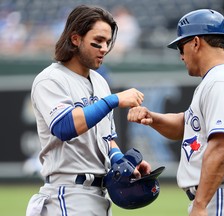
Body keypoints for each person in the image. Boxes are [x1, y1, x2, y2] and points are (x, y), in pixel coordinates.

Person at [127, 9, 224, 216]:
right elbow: (188, 126)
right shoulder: (217, 79)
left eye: (181, 47)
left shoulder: (222, 82)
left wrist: (200, 206)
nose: (181, 56)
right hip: (220, 196)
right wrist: (153, 118)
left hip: (223, 198)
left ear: (196, 42)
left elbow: (221, 147)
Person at [26, 5, 151, 216]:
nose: (105, 48)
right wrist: (113, 100)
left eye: (108, 42)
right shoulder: (50, 79)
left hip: (98, 196)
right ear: (76, 39)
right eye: (99, 40)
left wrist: (123, 162)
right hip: (67, 195)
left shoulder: (100, 82)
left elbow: (107, 140)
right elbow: (65, 127)